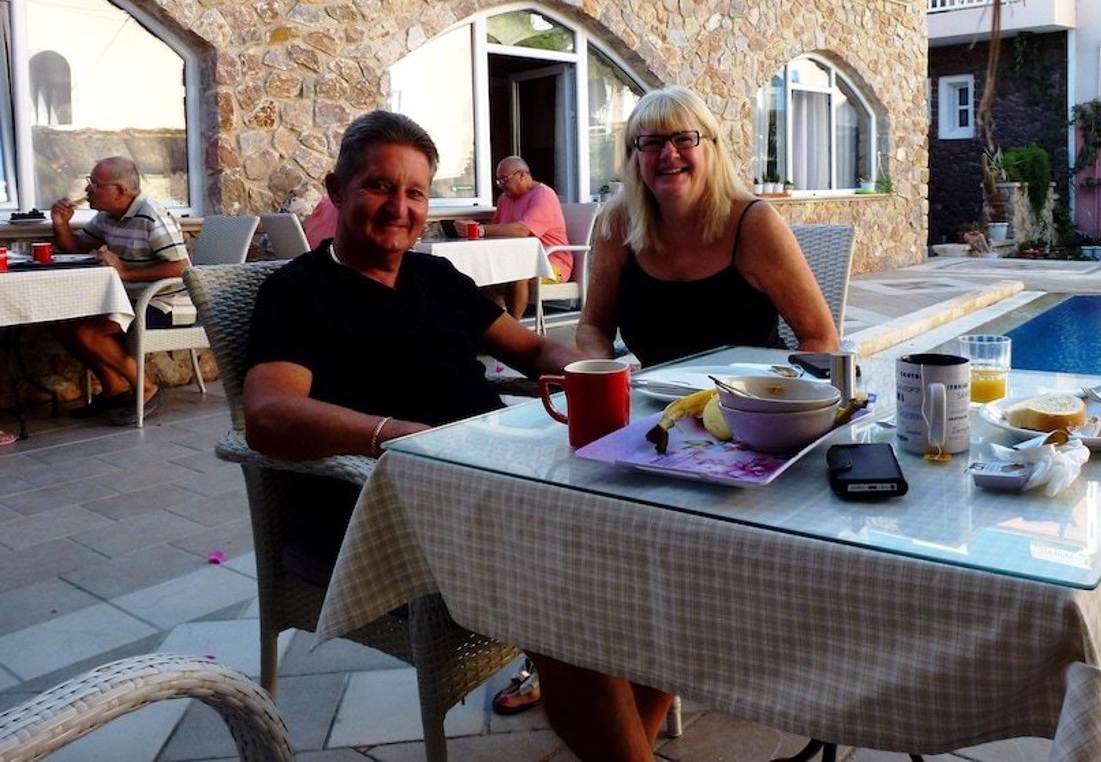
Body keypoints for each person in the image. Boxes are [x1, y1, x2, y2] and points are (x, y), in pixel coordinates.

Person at [241, 110, 671, 760]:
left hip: (491, 483)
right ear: (336, 189)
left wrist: (604, 374)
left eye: (414, 192)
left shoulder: (435, 277)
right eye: (379, 186)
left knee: (658, 548)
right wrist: (397, 435)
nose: (399, 208)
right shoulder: (297, 292)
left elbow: (532, 350)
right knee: (571, 586)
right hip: (392, 505)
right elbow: (269, 415)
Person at [576, 86, 841, 366]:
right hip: (656, 394)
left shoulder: (755, 223)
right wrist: (601, 371)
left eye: (684, 139)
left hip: (753, 390)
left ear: (711, 148)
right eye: (652, 142)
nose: (669, 153)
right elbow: (593, 327)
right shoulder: (618, 224)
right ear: (634, 157)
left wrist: (783, 388)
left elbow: (822, 339)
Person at [49, 156, 189, 424]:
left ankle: (146, 388)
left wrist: (125, 272)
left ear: (121, 191)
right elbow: (76, 248)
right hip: (127, 300)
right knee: (61, 325)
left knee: (89, 332)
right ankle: (114, 387)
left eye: (95, 184)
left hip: (165, 303)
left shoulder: (151, 215)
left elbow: (181, 267)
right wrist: (60, 224)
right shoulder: (108, 216)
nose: (87, 189)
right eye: (89, 182)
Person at [481, 156, 572, 319]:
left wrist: (481, 230)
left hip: (551, 264)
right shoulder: (504, 199)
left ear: (521, 175)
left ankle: (513, 327)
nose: (501, 185)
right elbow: (497, 230)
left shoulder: (543, 195)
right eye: (498, 181)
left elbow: (523, 230)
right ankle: (492, 325)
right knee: (482, 274)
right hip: (515, 260)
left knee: (519, 270)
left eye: (504, 179)